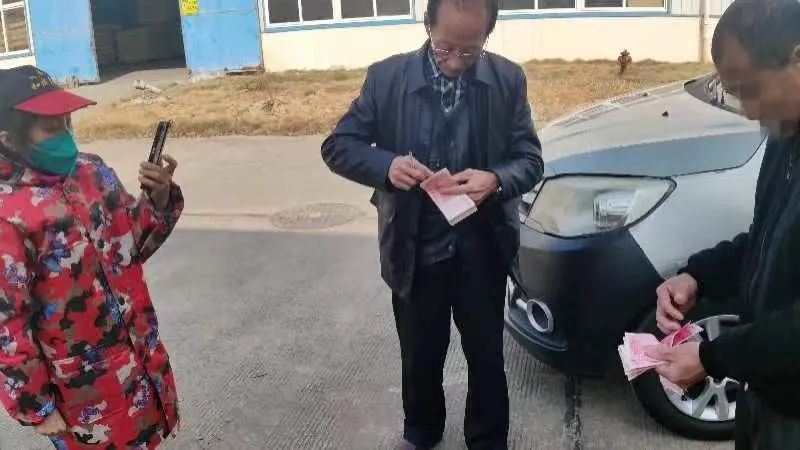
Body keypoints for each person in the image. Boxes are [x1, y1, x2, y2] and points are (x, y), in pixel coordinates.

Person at [321, 0, 543, 447]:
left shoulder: (507, 79)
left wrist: (496, 179)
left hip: (483, 247)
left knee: (487, 356)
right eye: (445, 48)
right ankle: (422, 432)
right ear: (426, 24)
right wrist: (386, 165)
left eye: (470, 50)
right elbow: (338, 145)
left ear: (487, 35)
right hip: (415, 247)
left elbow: (530, 159)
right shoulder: (387, 78)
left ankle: (487, 438)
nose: (456, 61)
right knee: (420, 355)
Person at [0, 66, 183, 449]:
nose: (66, 135)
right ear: (9, 139)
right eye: (51, 128)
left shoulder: (91, 172)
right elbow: (7, 323)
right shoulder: (8, 214)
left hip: (139, 361)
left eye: (67, 123)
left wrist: (159, 199)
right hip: (82, 393)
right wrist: (36, 406)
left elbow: (129, 248)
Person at [648, 0, 800, 448]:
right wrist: (698, 275)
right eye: (734, 93)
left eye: (751, 89)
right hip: (765, 394)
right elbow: (770, 240)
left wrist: (712, 357)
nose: (748, 111)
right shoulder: (786, 134)